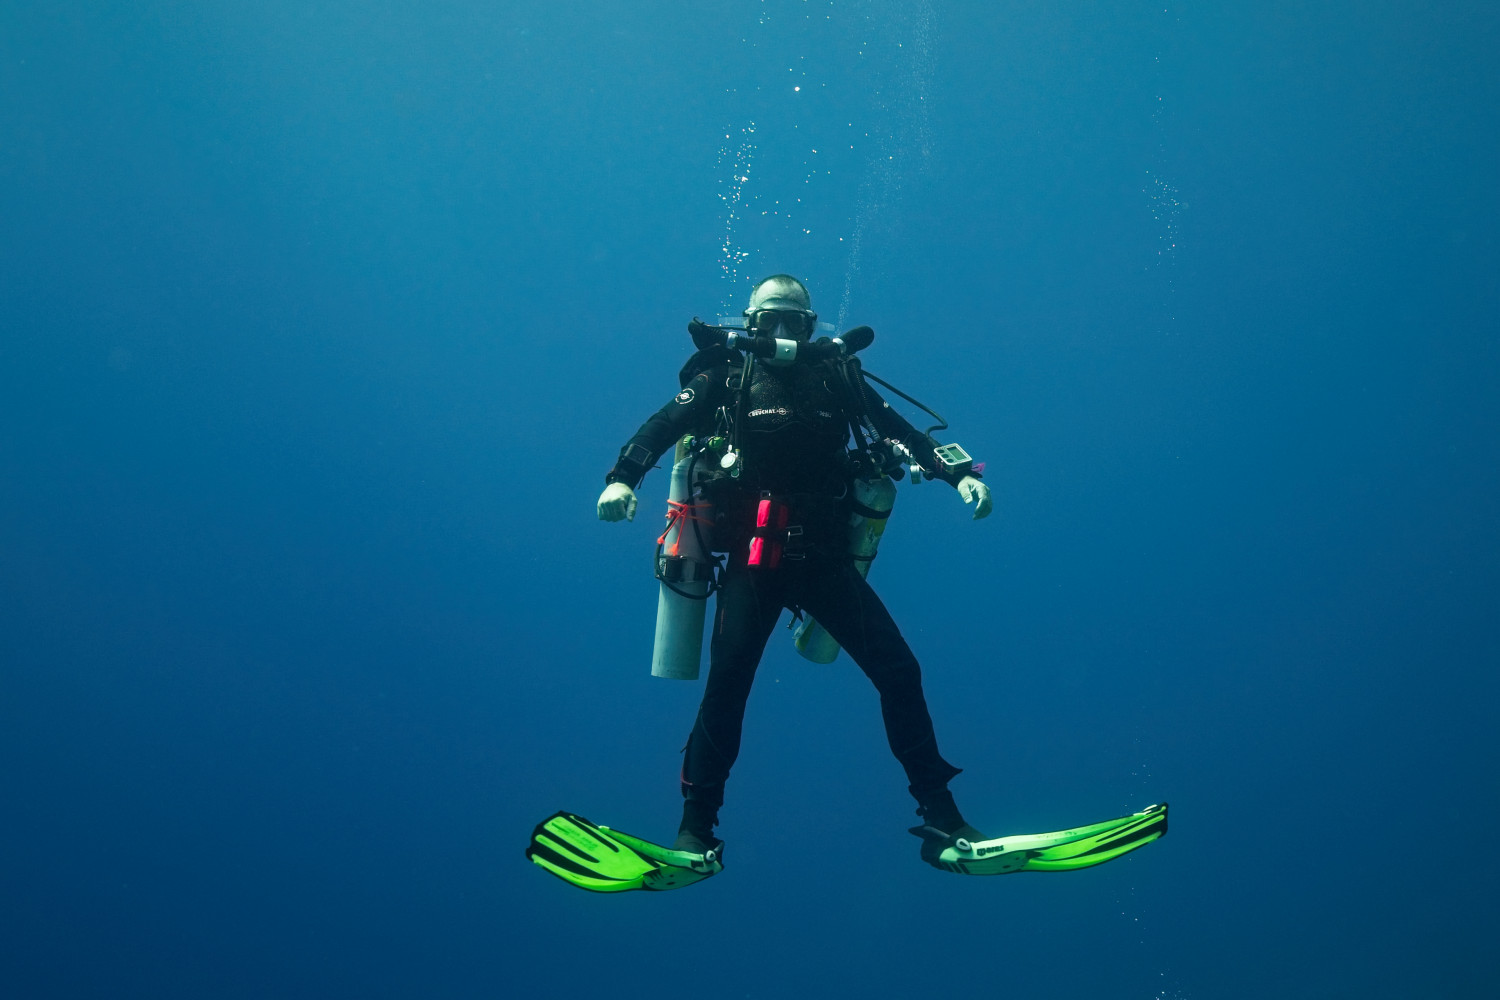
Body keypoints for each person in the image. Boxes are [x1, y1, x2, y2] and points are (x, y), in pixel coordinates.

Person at [595, 274, 993, 862]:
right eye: (769, 320)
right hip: (753, 564)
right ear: (749, 324)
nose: (781, 332)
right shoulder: (726, 375)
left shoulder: (837, 374)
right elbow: (660, 426)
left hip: (825, 561)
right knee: (727, 688)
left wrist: (958, 474)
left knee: (899, 671)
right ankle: (694, 833)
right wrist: (622, 479)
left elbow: (899, 431)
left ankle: (944, 822)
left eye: (795, 322)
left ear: (811, 327)